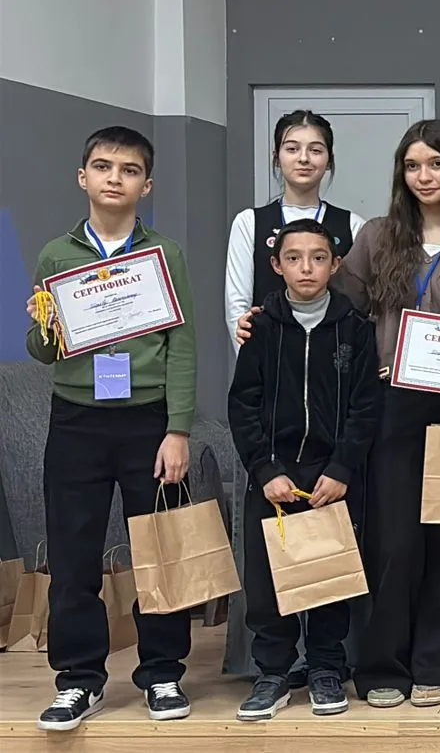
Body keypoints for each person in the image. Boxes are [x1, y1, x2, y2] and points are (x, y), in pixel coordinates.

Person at [237, 120, 440, 707]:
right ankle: (383, 666)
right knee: (392, 542)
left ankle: (437, 664)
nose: (424, 176)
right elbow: (340, 310)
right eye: (412, 166)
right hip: (391, 405)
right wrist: (265, 318)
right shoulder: (378, 237)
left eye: (435, 164)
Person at [25, 127, 197, 731]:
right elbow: (42, 352)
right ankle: (79, 679)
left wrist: (178, 429)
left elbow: (182, 344)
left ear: (146, 185)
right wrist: (45, 324)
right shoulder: (56, 254)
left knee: (159, 552)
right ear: (83, 178)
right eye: (102, 167)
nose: (114, 178)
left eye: (129, 170)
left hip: (149, 421)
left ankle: (163, 673)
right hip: (77, 420)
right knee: (73, 556)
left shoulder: (165, 254)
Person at [228, 219, 382, 721]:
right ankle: (273, 672)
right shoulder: (261, 327)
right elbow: (243, 404)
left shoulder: (355, 327)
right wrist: (263, 469)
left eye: (318, 258)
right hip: (273, 475)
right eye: (294, 258)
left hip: (331, 475)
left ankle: (326, 668)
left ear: (335, 264)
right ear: (277, 266)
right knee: (268, 579)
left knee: (329, 575)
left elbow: (366, 407)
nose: (306, 268)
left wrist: (342, 468)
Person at [226, 110, 366, 344]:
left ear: (329, 160)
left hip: (333, 356)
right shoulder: (249, 222)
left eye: (315, 150)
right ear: (276, 157)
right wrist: (252, 361)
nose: (303, 158)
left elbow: (361, 306)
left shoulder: (353, 225)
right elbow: (237, 311)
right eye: (292, 149)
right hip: (268, 354)